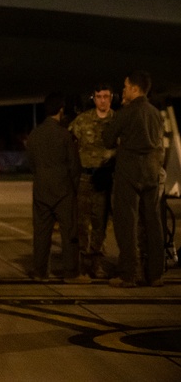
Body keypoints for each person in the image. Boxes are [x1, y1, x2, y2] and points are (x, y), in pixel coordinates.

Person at [102, 70, 165, 287]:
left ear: (135, 89)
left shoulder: (126, 112)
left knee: (126, 223)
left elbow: (108, 139)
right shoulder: (156, 113)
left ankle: (128, 273)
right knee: (154, 223)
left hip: (129, 171)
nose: (123, 90)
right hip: (151, 171)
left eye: (126, 87)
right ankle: (156, 273)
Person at [25, 92, 89, 284]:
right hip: (63, 191)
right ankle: (71, 272)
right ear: (61, 110)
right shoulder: (64, 135)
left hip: (41, 189)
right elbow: (74, 166)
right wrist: (73, 188)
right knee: (69, 233)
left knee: (41, 233)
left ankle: (39, 270)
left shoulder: (34, 134)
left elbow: (31, 164)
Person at [68, 84, 115, 278]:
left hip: (104, 178)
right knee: (82, 221)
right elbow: (69, 142)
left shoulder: (117, 120)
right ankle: (82, 262)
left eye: (105, 96)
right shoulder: (83, 120)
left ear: (111, 98)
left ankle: (97, 262)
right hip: (85, 177)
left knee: (100, 222)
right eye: (98, 97)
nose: (102, 100)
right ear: (93, 98)